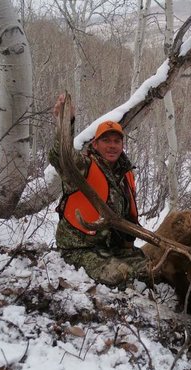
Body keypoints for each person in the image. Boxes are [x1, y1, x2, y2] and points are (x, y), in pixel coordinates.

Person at [49, 94, 149, 288]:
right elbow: (60, 156)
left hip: (112, 248)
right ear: (95, 144)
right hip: (79, 248)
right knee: (122, 275)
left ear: (122, 145)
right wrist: (65, 124)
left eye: (116, 141)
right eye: (106, 141)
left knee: (151, 270)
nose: (112, 146)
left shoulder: (125, 175)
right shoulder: (83, 167)